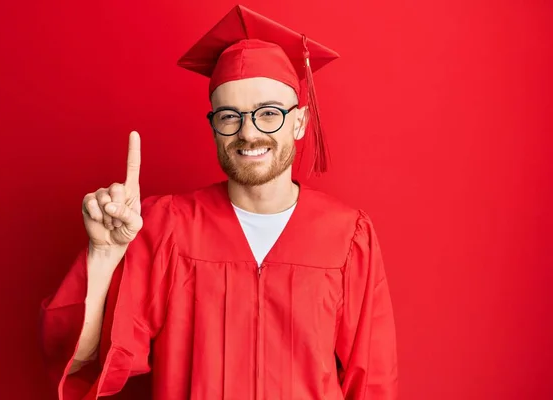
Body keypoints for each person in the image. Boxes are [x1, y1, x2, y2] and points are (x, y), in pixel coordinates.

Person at [39, 5, 398, 400]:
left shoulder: (348, 236)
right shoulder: (168, 227)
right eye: (230, 116)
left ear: (299, 122)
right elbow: (85, 360)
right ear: (214, 126)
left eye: (268, 113)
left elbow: (373, 383)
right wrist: (103, 255)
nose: (248, 132)